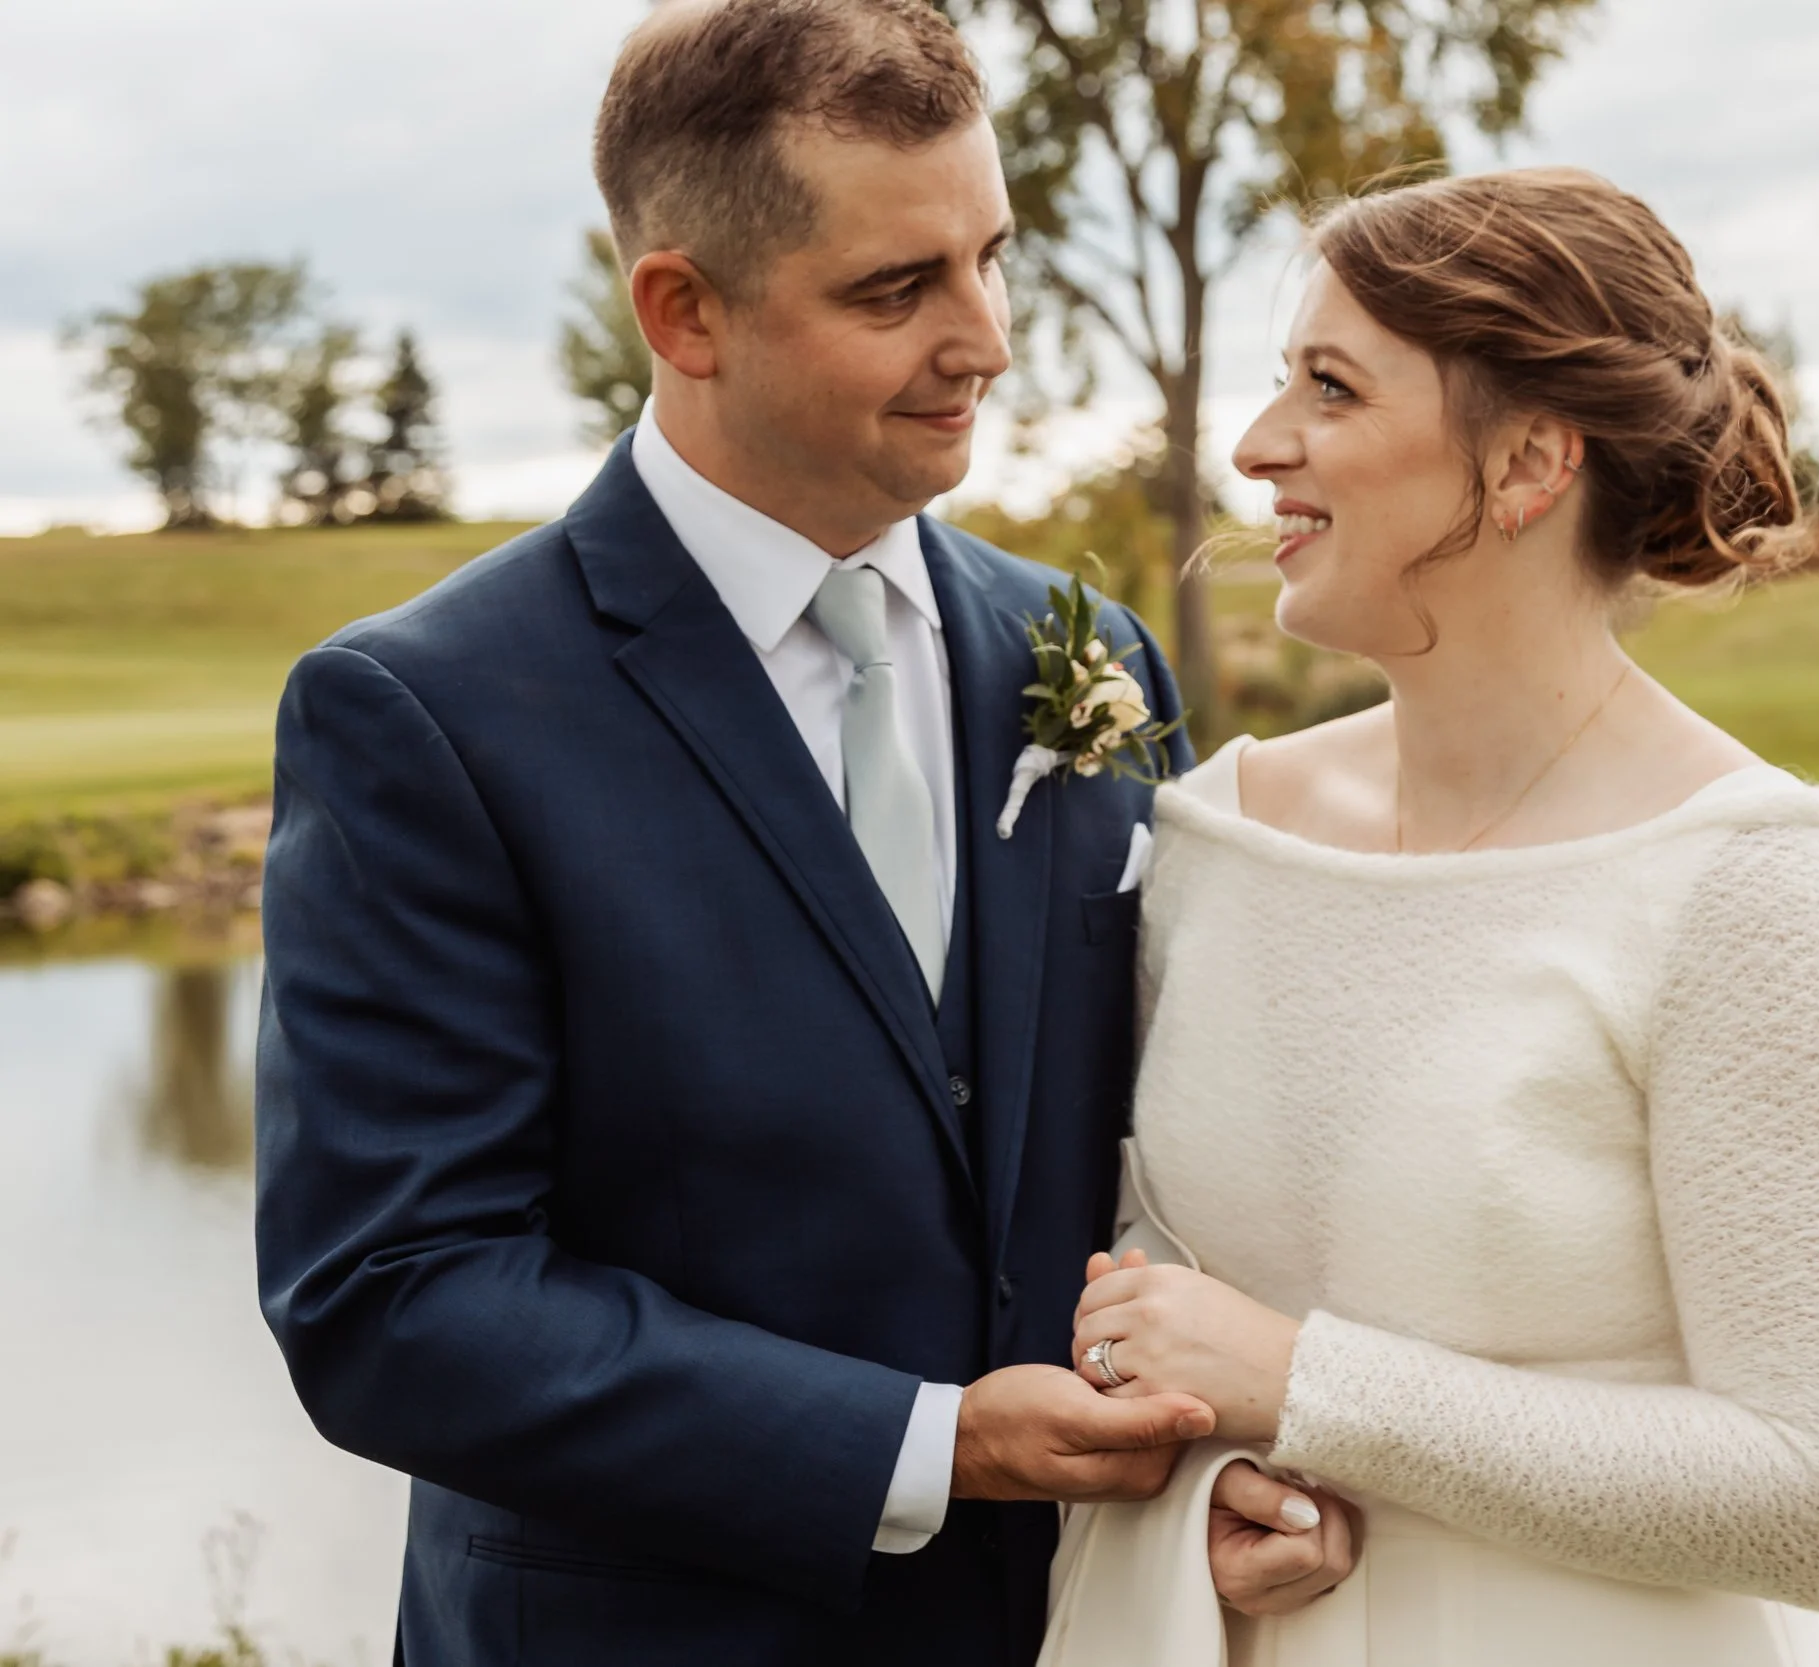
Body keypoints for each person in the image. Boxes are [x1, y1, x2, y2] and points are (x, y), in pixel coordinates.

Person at [252, 3, 1349, 1662]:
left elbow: (1176, 1143)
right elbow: (398, 1299)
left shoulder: (1085, 656)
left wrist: (1232, 1462)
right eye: (896, 290)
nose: (985, 338)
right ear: (683, 310)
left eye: (992, 257)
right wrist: (930, 1446)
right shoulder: (428, 717)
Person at [1040, 169, 1819, 1666]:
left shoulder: (1758, 889)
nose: (1262, 446)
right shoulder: (1221, 827)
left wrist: (1310, 1387)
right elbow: (1158, 1296)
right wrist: (1223, 1484)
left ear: (1527, 463)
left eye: (1330, 389)